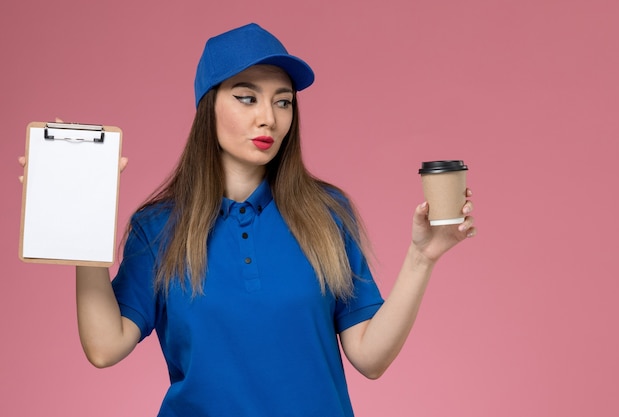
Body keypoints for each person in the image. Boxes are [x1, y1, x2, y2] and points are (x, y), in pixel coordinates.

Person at [22, 23, 476, 416]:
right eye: (246, 97)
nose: (269, 119)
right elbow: (104, 347)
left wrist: (422, 257)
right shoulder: (159, 227)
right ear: (208, 108)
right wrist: (81, 220)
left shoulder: (326, 215)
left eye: (283, 102)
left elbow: (370, 358)